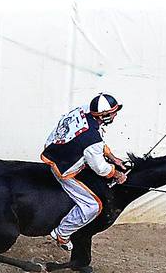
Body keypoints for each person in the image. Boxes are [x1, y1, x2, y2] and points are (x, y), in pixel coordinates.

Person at [39, 93, 129, 252]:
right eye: (114, 113)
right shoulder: (92, 140)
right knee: (92, 206)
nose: (115, 115)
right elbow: (101, 169)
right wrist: (117, 174)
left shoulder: (84, 110)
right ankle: (62, 233)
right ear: (105, 116)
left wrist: (113, 158)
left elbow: (98, 145)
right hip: (63, 168)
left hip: (54, 147)